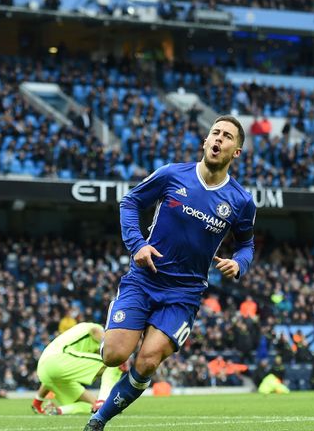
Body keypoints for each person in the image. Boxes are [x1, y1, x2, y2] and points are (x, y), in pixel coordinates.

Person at [83, 115, 256, 430]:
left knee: (147, 361)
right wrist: (137, 245)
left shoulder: (241, 201)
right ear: (205, 142)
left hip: (184, 294)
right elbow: (130, 202)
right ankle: (110, 336)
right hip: (144, 279)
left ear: (236, 152)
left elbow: (247, 245)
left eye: (227, 136)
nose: (218, 139)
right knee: (112, 356)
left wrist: (239, 263)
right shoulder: (172, 175)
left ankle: (99, 419)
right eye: (214, 133)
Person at [33, 322, 122, 415]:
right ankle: (103, 401)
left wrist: (37, 401)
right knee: (114, 363)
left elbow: (49, 374)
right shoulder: (98, 329)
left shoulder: (75, 336)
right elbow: (94, 330)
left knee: (96, 406)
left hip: (44, 370)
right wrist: (114, 350)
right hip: (60, 358)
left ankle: (58, 410)